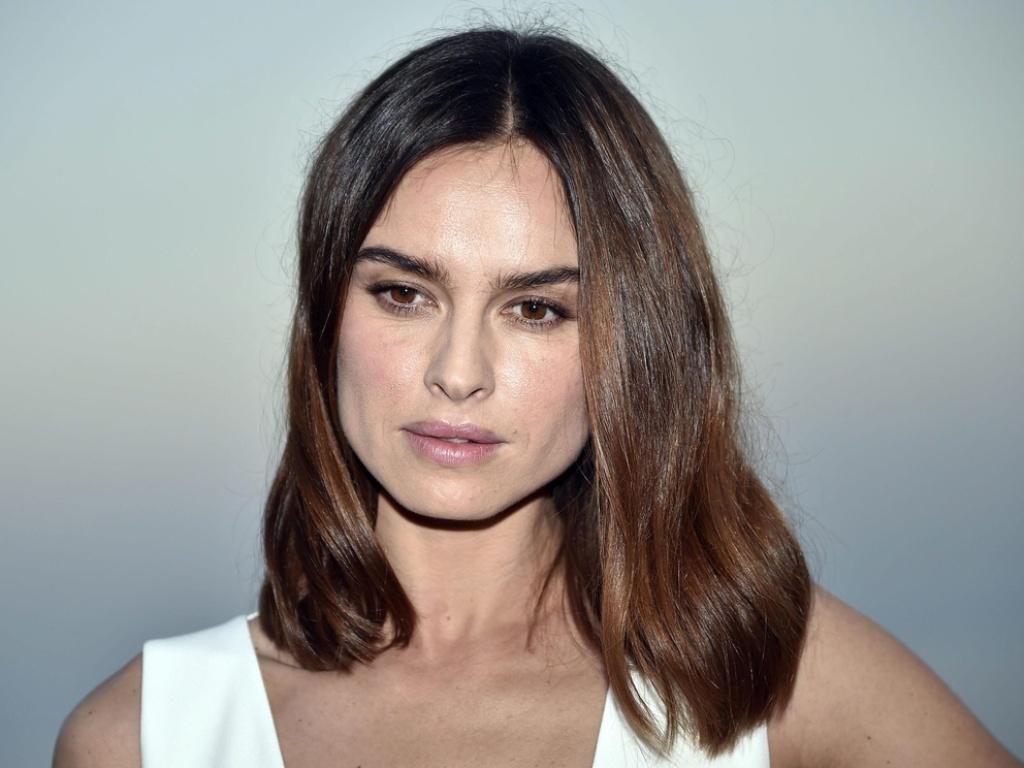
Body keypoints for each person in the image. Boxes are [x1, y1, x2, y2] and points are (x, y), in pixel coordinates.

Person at [53, 25, 1021, 768]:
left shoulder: (765, 680)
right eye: (404, 294)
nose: (458, 370)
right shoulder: (141, 736)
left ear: (632, 347)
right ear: (325, 313)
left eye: (537, 310)